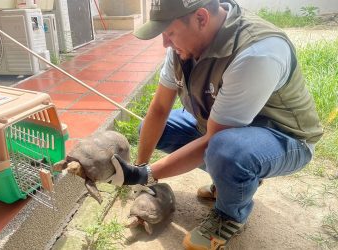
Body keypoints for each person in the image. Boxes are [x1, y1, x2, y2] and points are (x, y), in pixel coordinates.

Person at [105, 0, 323, 249]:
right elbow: (159, 109)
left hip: (284, 137)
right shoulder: (181, 47)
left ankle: (230, 213)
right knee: (154, 129)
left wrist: (147, 174)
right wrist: (140, 169)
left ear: (200, 18)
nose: (165, 42)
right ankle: (233, 180)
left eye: (170, 32)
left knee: (226, 151)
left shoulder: (257, 52)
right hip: (224, 126)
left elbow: (213, 140)